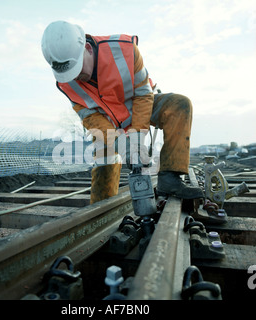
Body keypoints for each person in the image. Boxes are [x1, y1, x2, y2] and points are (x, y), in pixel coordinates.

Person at [41, 20, 204, 204]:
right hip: (107, 124)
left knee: (179, 105)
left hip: (139, 109)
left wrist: (136, 141)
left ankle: (170, 179)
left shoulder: (124, 50)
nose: (76, 77)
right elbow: (92, 119)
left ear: (87, 48)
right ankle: (101, 210)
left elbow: (143, 95)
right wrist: (123, 146)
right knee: (105, 162)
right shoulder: (66, 84)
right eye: (71, 73)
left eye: (77, 69)